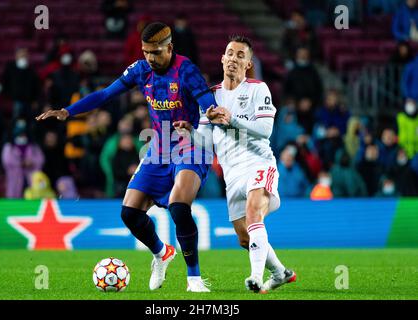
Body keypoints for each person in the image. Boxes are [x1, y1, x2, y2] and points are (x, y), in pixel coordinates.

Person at [36, 22, 222, 292]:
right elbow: (105, 94)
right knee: (129, 213)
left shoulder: (187, 70)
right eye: (146, 52)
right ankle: (161, 253)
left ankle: (193, 278)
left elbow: (208, 106)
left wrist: (208, 116)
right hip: (159, 147)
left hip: (191, 144)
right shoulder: (140, 70)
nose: (150, 58)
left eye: (156, 52)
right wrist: (68, 111)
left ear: (170, 48)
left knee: (179, 206)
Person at [198, 36, 296, 293]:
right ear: (222, 58)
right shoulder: (211, 97)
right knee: (245, 237)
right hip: (232, 176)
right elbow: (203, 143)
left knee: (254, 214)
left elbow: (265, 129)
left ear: (248, 63)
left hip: (258, 164)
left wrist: (233, 121)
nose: (233, 59)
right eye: (230, 53)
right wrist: (193, 126)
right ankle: (280, 272)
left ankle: (255, 277)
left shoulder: (257, 89)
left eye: (240, 55)